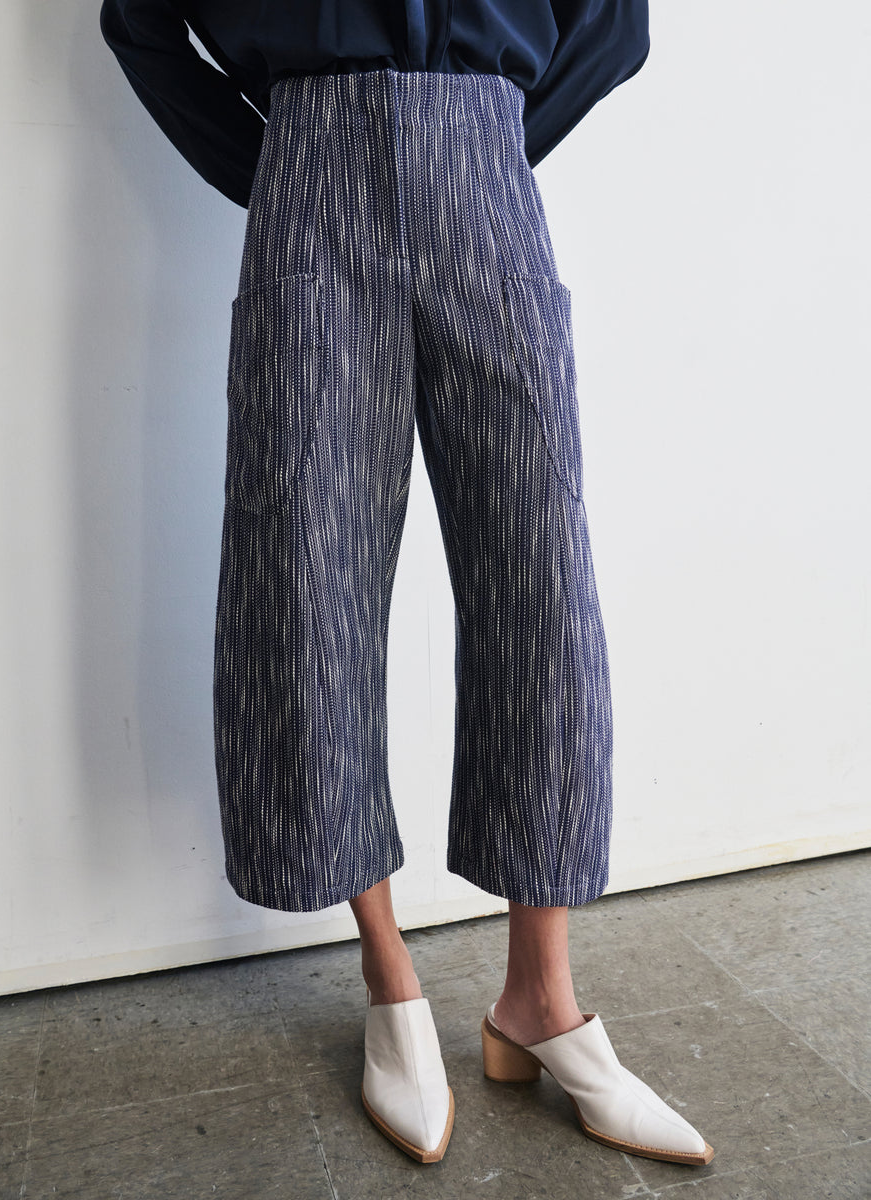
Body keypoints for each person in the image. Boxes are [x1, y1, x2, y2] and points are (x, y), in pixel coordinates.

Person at [100, 0, 714, 1169]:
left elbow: (617, 23)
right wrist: (273, 156)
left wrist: (487, 136)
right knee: (305, 580)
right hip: (310, 174)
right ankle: (390, 979)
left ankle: (543, 997)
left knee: (540, 577)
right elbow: (137, 20)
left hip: (485, 163)